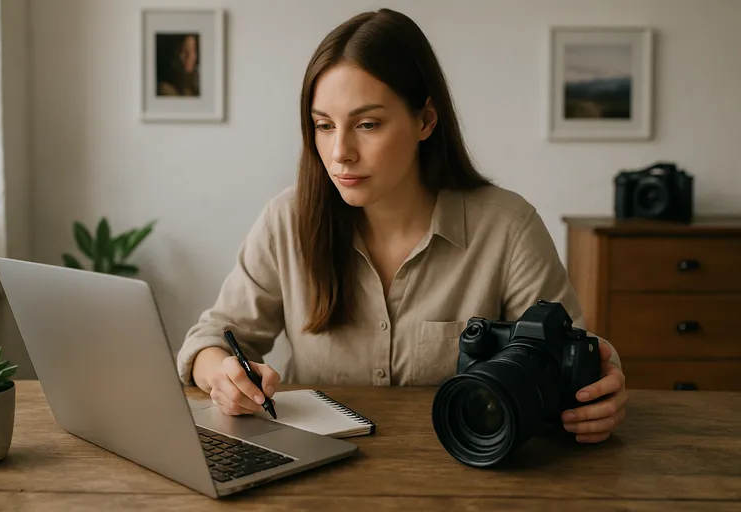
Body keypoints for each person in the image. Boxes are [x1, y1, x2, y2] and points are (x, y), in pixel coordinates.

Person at [177, 8, 627, 444]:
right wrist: (221, 373)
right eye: (324, 126)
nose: (340, 153)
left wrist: (597, 394)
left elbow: (570, 356)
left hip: (468, 474)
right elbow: (212, 337)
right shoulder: (287, 220)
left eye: (367, 124)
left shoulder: (508, 228)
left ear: (425, 120)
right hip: (314, 476)